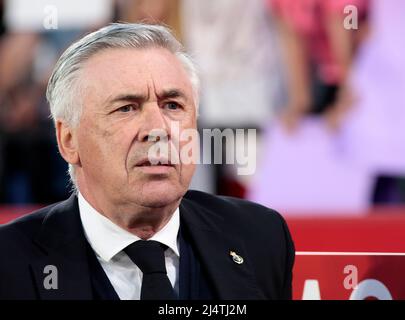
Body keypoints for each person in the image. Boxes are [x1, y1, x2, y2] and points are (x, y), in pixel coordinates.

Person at [0, 23, 294, 300]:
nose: (159, 128)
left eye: (173, 105)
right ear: (68, 140)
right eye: (127, 108)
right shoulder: (9, 263)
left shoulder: (260, 237)